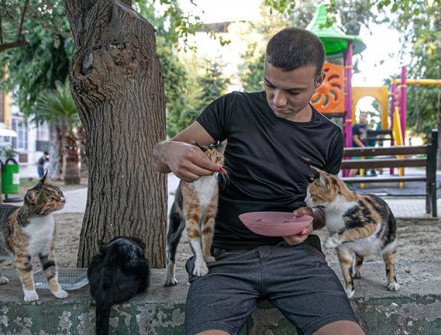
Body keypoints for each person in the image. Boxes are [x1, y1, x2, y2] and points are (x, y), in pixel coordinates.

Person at [152, 27, 364, 335]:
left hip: (298, 261)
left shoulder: (329, 137)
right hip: (223, 260)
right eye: (270, 85)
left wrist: (309, 220)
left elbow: (325, 210)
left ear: (319, 82)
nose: (278, 100)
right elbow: (159, 160)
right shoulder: (233, 108)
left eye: (293, 92)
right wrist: (167, 149)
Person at [348, 111, 368, 178]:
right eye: (362, 116)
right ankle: (349, 184)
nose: (363, 117)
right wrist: (363, 147)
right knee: (355, 166)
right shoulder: (355, 127)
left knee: (375, 162)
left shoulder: (365, 126)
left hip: (365, 149)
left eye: (365, 116)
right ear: (359, 117)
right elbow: (355, 139)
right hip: (357, 149)